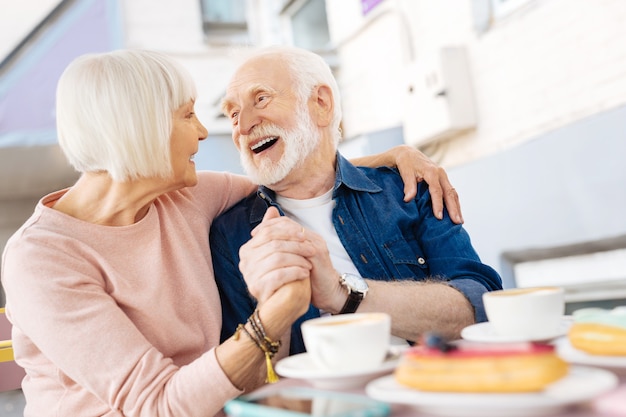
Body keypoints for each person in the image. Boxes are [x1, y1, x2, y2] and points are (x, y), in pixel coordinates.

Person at [0, 49, 460, 417]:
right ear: (137, 128)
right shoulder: (41, 258)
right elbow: (158, 405)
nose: (205, 132)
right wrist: (274, 315)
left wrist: (394, 156)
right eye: (187, 116)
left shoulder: (186, 196)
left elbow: (297, 169)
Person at [210, 46, 503, 355]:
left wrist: (341, 293)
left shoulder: (406, 188)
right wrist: (274, 308)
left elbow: (480, 306)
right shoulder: (230, 235)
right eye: (232, 114)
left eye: (261, 99)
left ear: (321, 104)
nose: (243, 127)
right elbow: (248, 381)